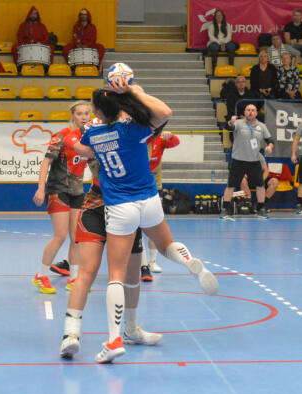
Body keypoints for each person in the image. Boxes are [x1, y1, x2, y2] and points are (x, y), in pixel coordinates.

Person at [69, 80, 219, 363]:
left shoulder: (94, 134)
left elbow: (79, 146)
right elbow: (164, 112)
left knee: (116, 274)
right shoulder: (134, 129)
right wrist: (134, 91)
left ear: (98, 112)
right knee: (166, 245)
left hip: (120, 206)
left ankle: (114, 340)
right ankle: (188, 260)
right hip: (149, 200)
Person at [60, 144, 163, 359]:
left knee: (132, 276)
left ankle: (131, 330)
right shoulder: (96, 135)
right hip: (96, 207)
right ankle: (70, 335)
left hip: (126, 207)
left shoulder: (134, 134)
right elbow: (77, 148)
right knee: (87, 272)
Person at [32, 101, 91, 293]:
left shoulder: (89, 139)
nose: (83, 117)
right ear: (72, 116)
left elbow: (92, 164)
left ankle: (74, 279)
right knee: (60, 236)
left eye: (87, 113)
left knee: (76, 238)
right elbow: (45, 163)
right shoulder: (61, 136)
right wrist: (41, 188)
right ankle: (41, 275)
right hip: (58, 190)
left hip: (77, 192)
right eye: (79, 113)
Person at [220, 104, 275, 219]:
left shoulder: (262, 126)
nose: (250, 112)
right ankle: (225, 210)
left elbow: (270, 139)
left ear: (256, 113)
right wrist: (231, 122)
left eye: (253, 110)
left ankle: (261, 209)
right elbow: (228, 127)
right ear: (245, 112)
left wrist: (270, 146)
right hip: (238, 160)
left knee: (260, 185)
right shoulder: (238, 123)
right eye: (248, 110)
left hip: (254, 161)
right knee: (230, 185)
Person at [140, 130, 181, 281]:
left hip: (154, 186)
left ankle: (152, 262)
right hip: (137, 185)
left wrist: (171, 136)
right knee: (136, 228)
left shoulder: (160, 139)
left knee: (154, 225)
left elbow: (176, 142)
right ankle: (141, 264)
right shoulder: (139, 138)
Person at [206, 9, 236, 73]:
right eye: (217, 15)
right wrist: (220, 44)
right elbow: (211, 37)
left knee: (232, 46)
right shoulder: (211, 26)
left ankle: (231, 68)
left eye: (220, 15)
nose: (219, 17)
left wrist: (224, 43)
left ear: (223, 16)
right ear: (215, 17)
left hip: (225, 43)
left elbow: (229, 36)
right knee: (214, 47)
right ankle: (214, 69)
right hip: (215, 43)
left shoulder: (227, 25)